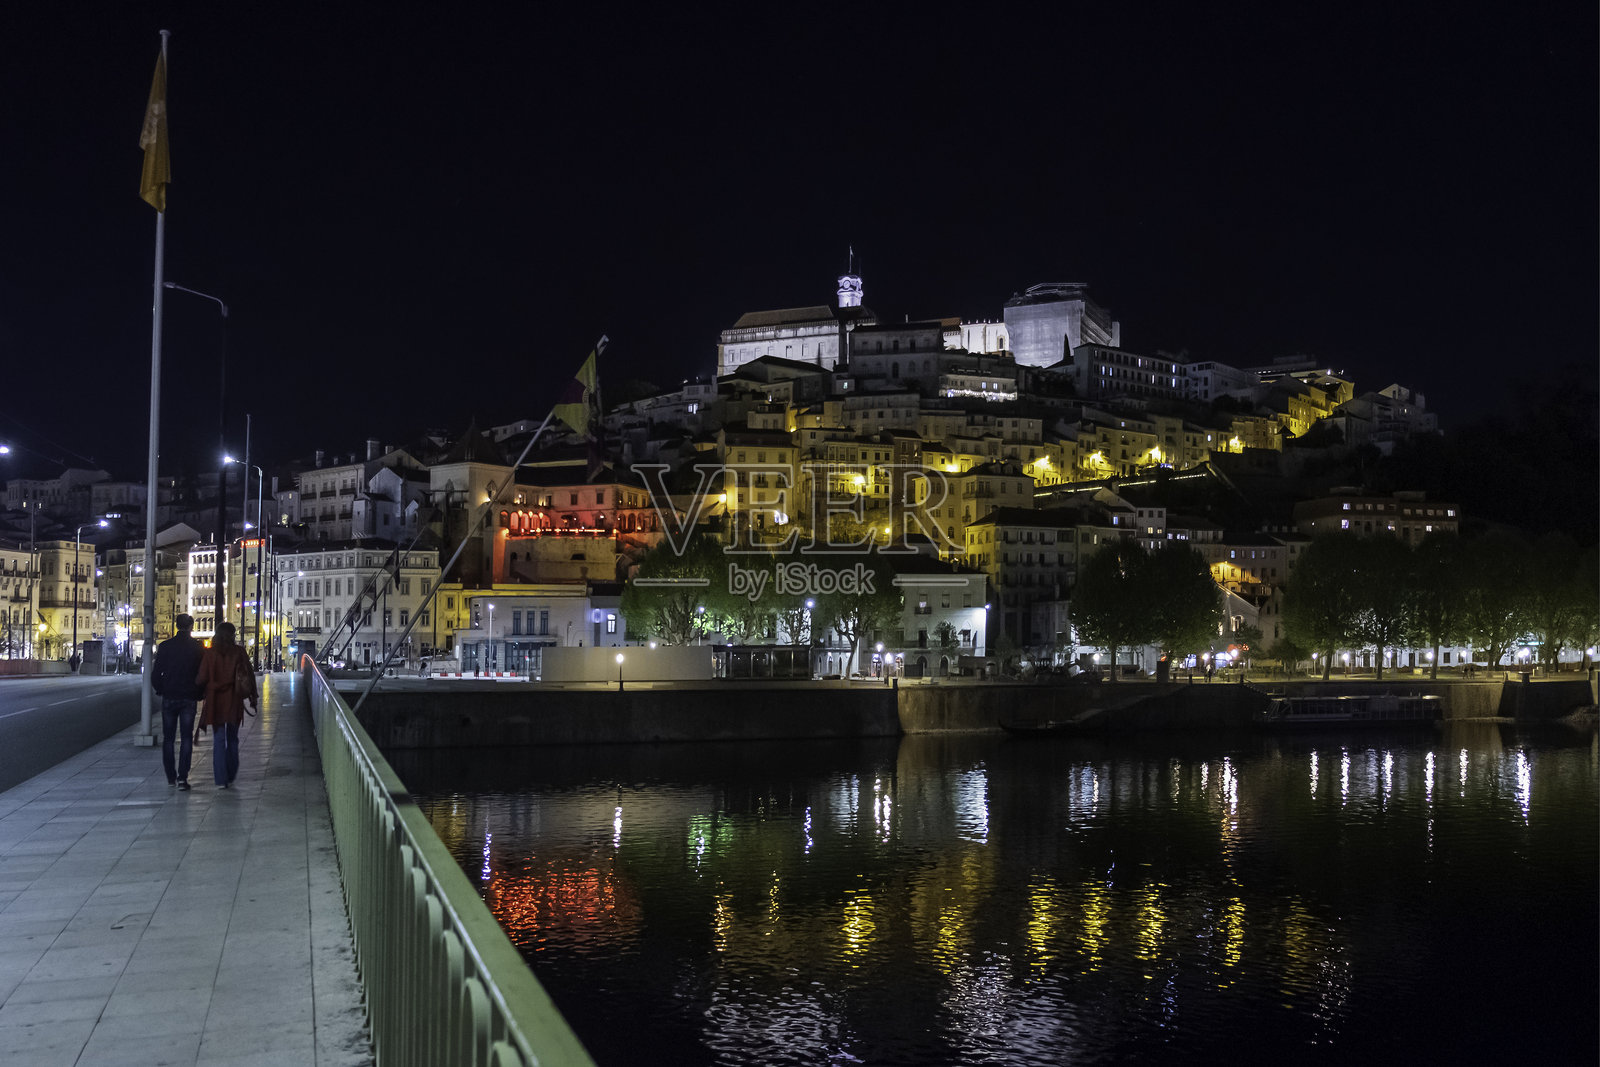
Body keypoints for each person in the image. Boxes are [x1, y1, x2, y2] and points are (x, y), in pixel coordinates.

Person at [195, 622, 257, 789]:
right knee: (233, 738)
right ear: (232, 634)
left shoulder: (210, 654)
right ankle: (231, 773)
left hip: (216, 702)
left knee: (219, 739)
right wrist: (253, 697)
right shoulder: (239, 652)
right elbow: (249, 676)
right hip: (233, 700)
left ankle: (221, 779)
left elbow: (201, 678)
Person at [151, 613, 205, 790]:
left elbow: (156, 673)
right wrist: (200, 693)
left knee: (168, 738)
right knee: (186, 737)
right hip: (189, 697)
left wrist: (161, 688)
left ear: (176, 626)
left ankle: (170, 776)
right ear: (191, 627)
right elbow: (202, 675)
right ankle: (183, 778)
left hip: (170, 696)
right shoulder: (197, 648)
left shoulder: (165, 646)